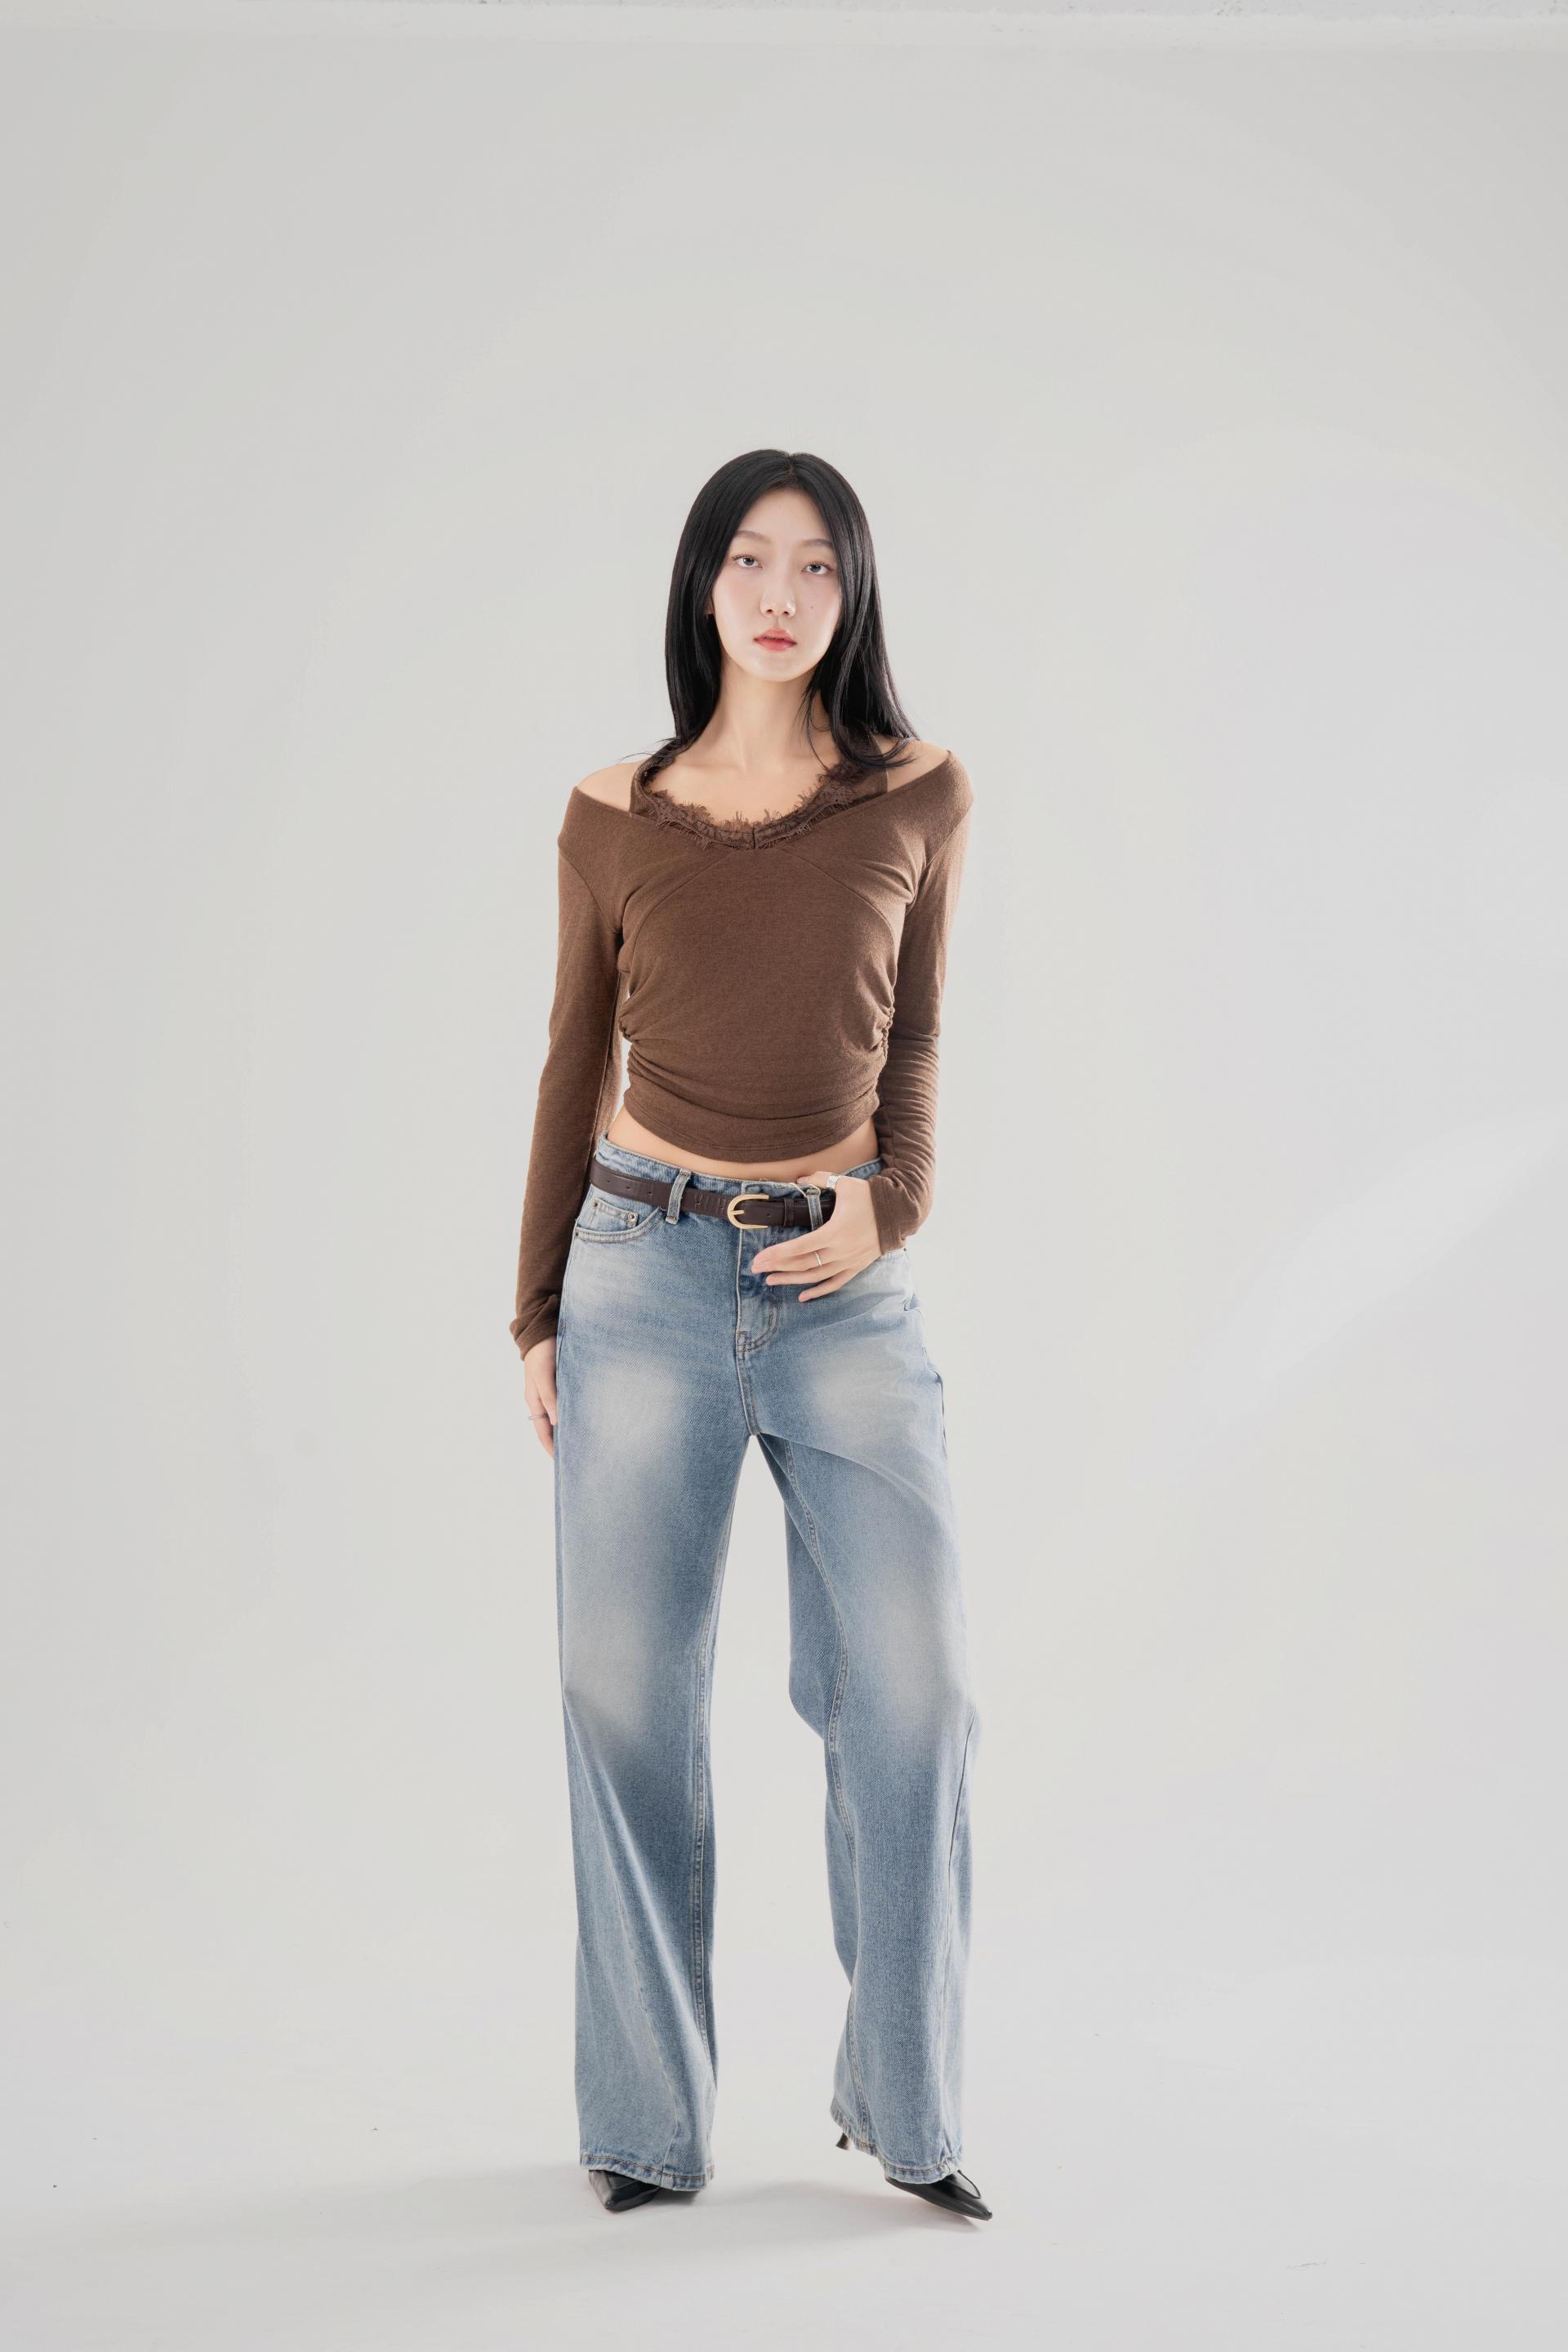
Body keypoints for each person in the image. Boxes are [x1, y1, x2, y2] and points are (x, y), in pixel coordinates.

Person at [509, 448, 988, 2222]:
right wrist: (536, 1309)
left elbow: (915, 1034)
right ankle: (647, 2128)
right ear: (702, 583)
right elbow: (573, 1059)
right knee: (619, 1690)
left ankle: (910, 2110)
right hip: (639, 1266)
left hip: (843, 1288)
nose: (779, 596)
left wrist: (895, 1202)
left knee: (916, 1694)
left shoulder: (919, 792)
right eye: (747, 560)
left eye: (815, 566)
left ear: (853, 594)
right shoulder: (610, 808)